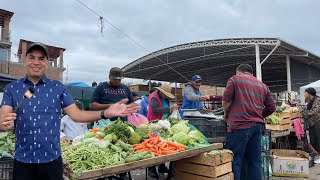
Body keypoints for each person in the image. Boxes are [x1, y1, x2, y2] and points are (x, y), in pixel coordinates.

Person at [0, 43, 139, 180]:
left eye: (41, 58)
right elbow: (3, 118)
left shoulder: (57, 87)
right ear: (25, 61)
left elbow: (77, 115)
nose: (36, 62)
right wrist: (4, 123)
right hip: (23, 160)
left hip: (52, 160)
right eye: (32, 57)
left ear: (47, 63)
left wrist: (105, 113)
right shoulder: (12, 89)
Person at [222, 64, 276, 180]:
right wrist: (259, 115)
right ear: (251, 73)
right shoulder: (263, 86)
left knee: (235, 160)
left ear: (238, 72)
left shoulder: (235, 79)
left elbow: (226, 100)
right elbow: (272, 107)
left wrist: (226, 113)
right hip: (257, 127)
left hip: (239, 125)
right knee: (255, 161)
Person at [147, 83, 178, 178]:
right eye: (165, 94)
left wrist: (172, 111)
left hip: (163, 123)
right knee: (153, 146)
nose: (166, 96)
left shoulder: (165, 98)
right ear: (161, 92)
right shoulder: (154, 97)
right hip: (154, 124)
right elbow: (155, 110)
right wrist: (169, 108)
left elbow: (167, 109)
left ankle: (161, 166)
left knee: (162, 145)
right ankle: (151, 168)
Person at [301, 87, 320, 153]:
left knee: (318, 140)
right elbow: (305, 108)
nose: (304, 94)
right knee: (312, 141)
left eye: (305, 93)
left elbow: (313, 112)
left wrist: (303, 112)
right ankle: (317, 155)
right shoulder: (309, 100)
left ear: (309, 93)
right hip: (311, 123)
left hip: (317, 122)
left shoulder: (317, 100)